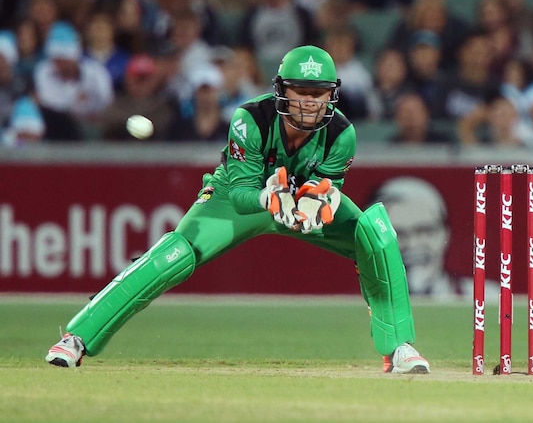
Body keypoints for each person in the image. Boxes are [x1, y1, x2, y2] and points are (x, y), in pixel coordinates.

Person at [45, 45, 430, 375]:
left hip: (298, 199)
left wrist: (317, 204)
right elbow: (245, 191)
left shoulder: (342, 133)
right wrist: (269, 199)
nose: (309, 101)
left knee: (374, 235)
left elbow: (330, 186)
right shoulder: (250, 119)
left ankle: (398, 347)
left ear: (332, 95)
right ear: (281, 90)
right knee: (176, 254)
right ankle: (76, 338)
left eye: (319, 92)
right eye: (300, 90)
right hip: (239, 197)